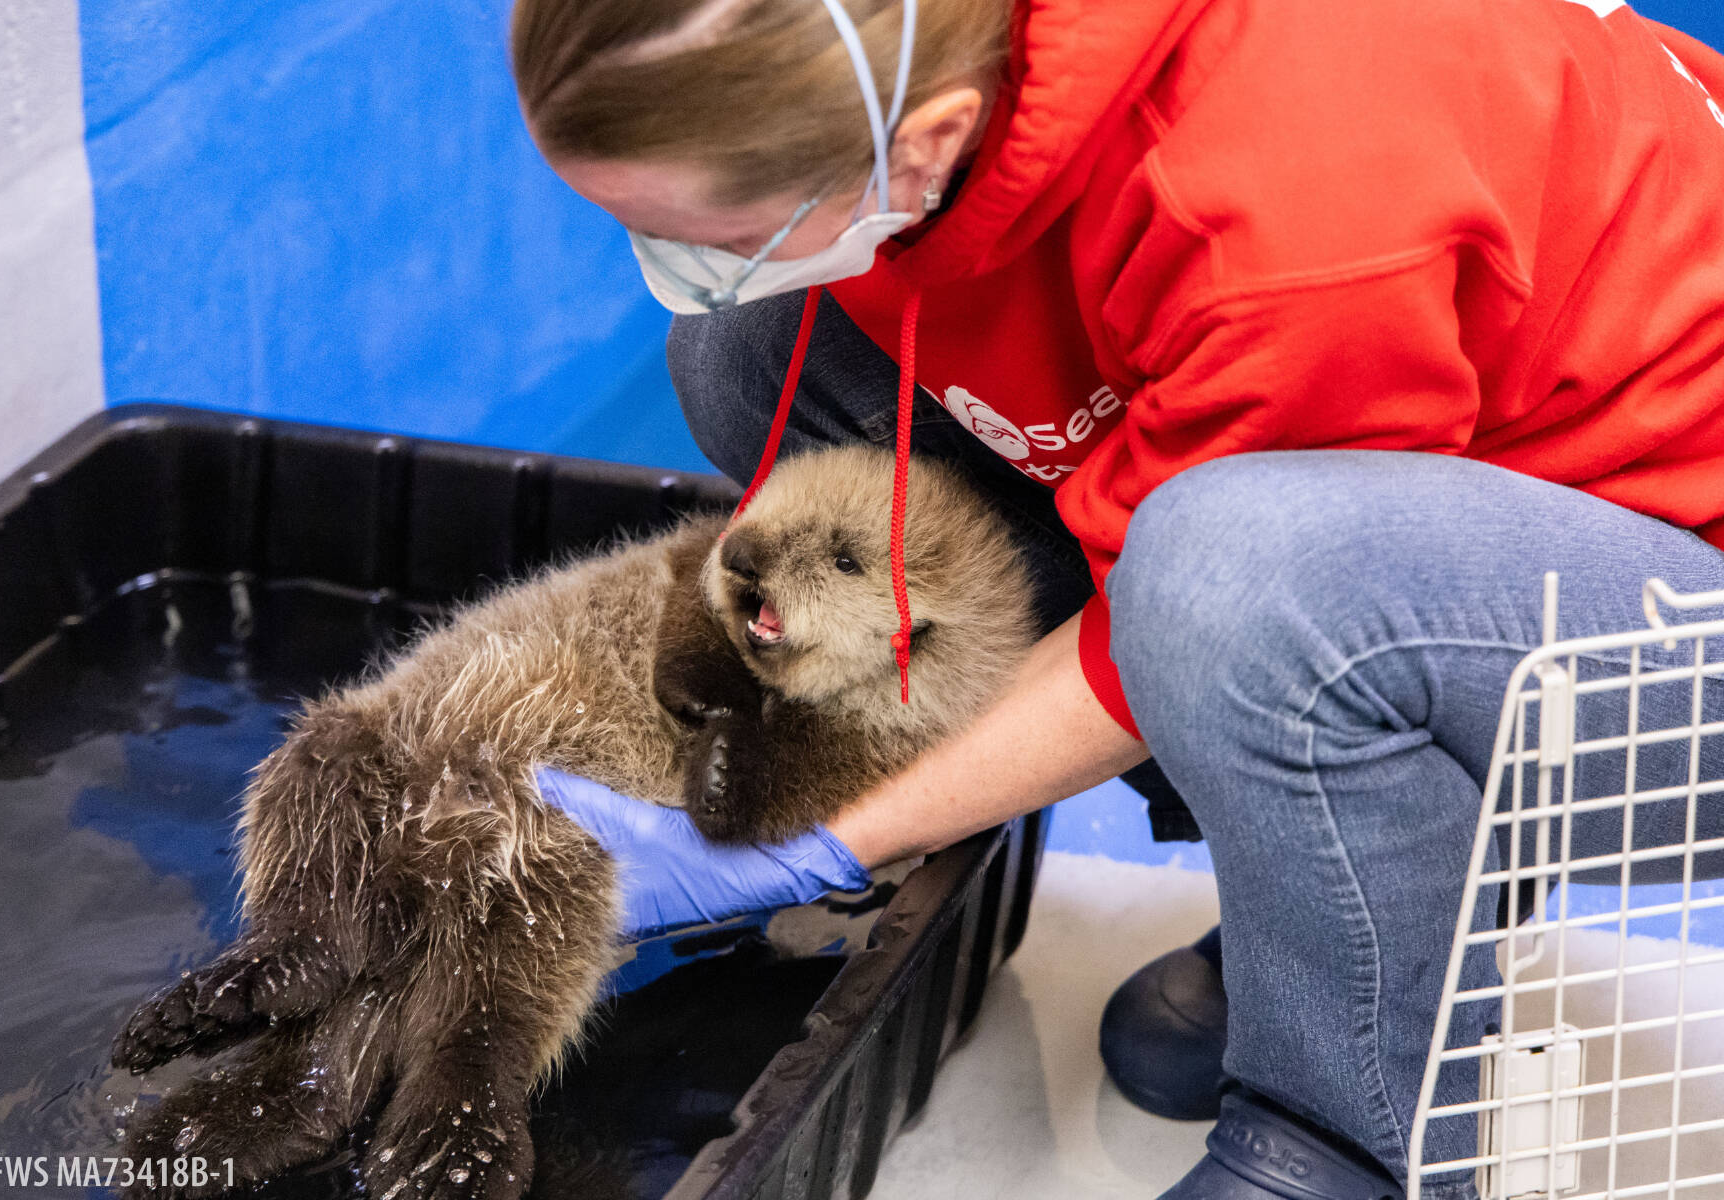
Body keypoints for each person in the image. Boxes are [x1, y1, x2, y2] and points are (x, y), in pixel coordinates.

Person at [507, 0, 1724, 1195]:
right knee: (757, 353)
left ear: (924, 142)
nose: (681, 266)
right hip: (1473, 451)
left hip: (1677, 618)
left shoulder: (1282, 203)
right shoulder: (948, 61)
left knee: (1229, 579)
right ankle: (1349, 886)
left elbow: (1207, 596)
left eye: (715, 233)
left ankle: (1359, 1138)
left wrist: (836, 833)